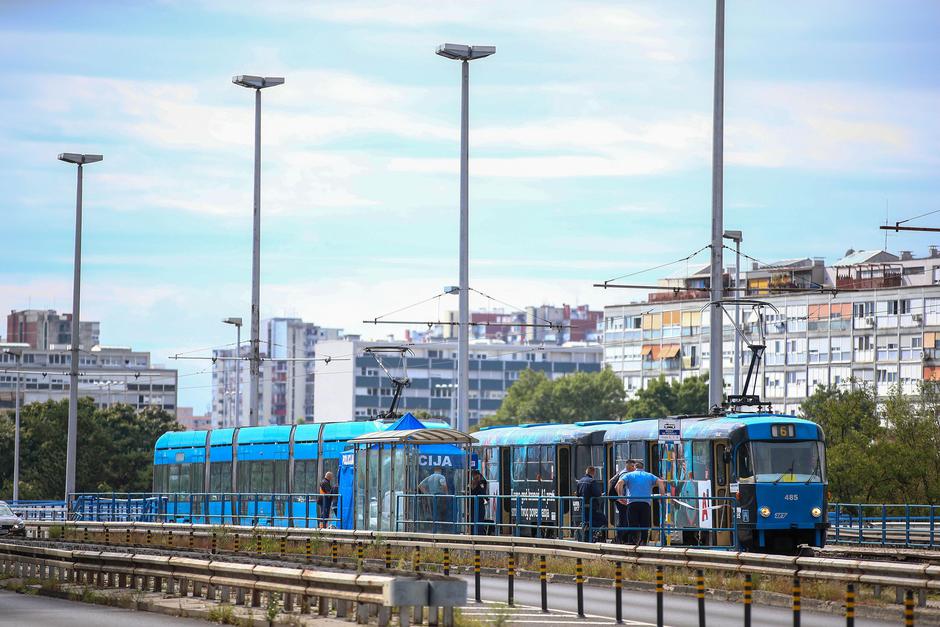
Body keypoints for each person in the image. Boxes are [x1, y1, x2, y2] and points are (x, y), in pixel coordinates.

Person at [621, 465, 665, 545]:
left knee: (632, 523)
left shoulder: (629, 475)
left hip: (632, 503)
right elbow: (660, 482)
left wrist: (620, 496)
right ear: (643, 468)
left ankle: (633, 541)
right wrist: (662, 496)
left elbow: (619, 483)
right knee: (644, 523)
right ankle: (643, 541)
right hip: (645, 503)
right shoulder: (649, 475)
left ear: (635, 467)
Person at [576, 466, 607, 542]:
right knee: (603, 520)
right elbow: (597, 493)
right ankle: (588, 526)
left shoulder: (580, 481)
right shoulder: (592, 481)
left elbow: (577, 494)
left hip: (583, 506)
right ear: (593, 472)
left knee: (586, 520)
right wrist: (601, 494)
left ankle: (586, 537)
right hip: (592, 507)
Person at [611, 459, 636, 543]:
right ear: (628, 466)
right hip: (622, 501)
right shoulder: (625, 474)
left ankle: (621, 538)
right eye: (633, 466)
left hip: (621, 500)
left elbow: (610, 481)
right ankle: (621, 538)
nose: (634, 468)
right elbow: (617, 486)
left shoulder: (621, 472)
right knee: (624, 519)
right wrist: (621, 497)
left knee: (623, 519)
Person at [418, 466, 449, 532]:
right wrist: (447, 495)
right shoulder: (441, 477)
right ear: (440, 470)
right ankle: (440, 529)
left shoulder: (429, 477)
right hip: (440, 497)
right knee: (441, 513)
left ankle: (434, 528)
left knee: (433, 513)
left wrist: (427, 493)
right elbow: (444, 486)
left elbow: (420, 485)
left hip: (431, 497)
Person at [469, 470, 488, 535]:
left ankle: (479, 533)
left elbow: (483, 492)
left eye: (474, 475)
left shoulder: (481, 481)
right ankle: (473, 533)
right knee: (473, 519)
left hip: (478, 503)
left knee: (479, 519)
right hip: (473, 503)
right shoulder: (473, 482)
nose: (473, 477)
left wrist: (486, 498)